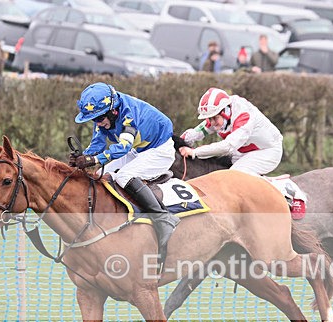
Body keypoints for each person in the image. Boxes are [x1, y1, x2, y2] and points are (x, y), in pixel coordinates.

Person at [70, 82, 179, 262]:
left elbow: (122, 148)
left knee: (123, 176)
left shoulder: (128, 116)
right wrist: (84, 156)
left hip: (159, 150)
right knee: (98, 175)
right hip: (138, 150)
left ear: (112, 112)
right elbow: (98, 143)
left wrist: (94, 160)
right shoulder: (105, 114)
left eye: (99, 119)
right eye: (94, 120)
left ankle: (164, 219)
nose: (97, 123)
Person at [179, 87, 283, 177]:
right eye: (209, 119)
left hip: (268, 151)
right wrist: (180, 141)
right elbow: (197, 132)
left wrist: (194, 152)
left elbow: (227, 147)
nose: (212, 123)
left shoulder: (244, 116)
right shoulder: (221, 112)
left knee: (234, 175)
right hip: (242, 152)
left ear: (225, 112)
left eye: (214, 118)